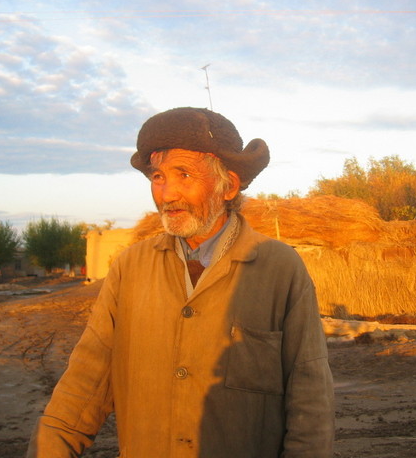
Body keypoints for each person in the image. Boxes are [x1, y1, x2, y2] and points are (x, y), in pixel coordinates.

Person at [27, 107, 335, 457]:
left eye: (183, 174)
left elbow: (310, 398)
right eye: (158, 177)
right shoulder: (131, 267)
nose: (167, 194)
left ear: (228, 185)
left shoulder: (279, 268)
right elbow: (84, 383)